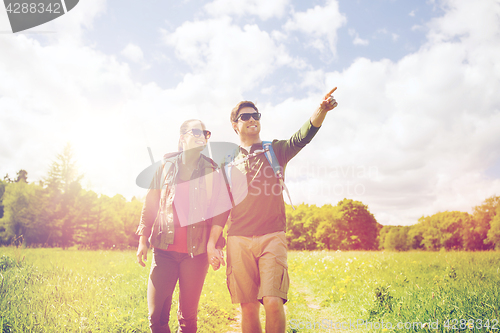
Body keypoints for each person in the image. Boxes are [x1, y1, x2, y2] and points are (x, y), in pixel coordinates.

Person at [207, 88, 338, 333]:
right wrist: (212, 243)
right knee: (247, 307)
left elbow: (302, 137)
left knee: (273, 301)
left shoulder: (274, 150)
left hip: (272, 236)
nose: (253, 119)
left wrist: (321, 110)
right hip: (238, 240)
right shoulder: (227, 164)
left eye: (256, 114)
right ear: (235, 125)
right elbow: (221, 210)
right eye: (246, 116)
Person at [136, 119, 226, 333]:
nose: (201, 136)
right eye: (195, 131)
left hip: (196, 254)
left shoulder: (213, 170)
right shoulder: (165, 166)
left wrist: (216, 244)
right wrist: (142, 240)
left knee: (187, 319)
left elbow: (220, 210)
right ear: (182, 137)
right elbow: (150, 204)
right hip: (163, 251)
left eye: (205, 133)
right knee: (156, 317)